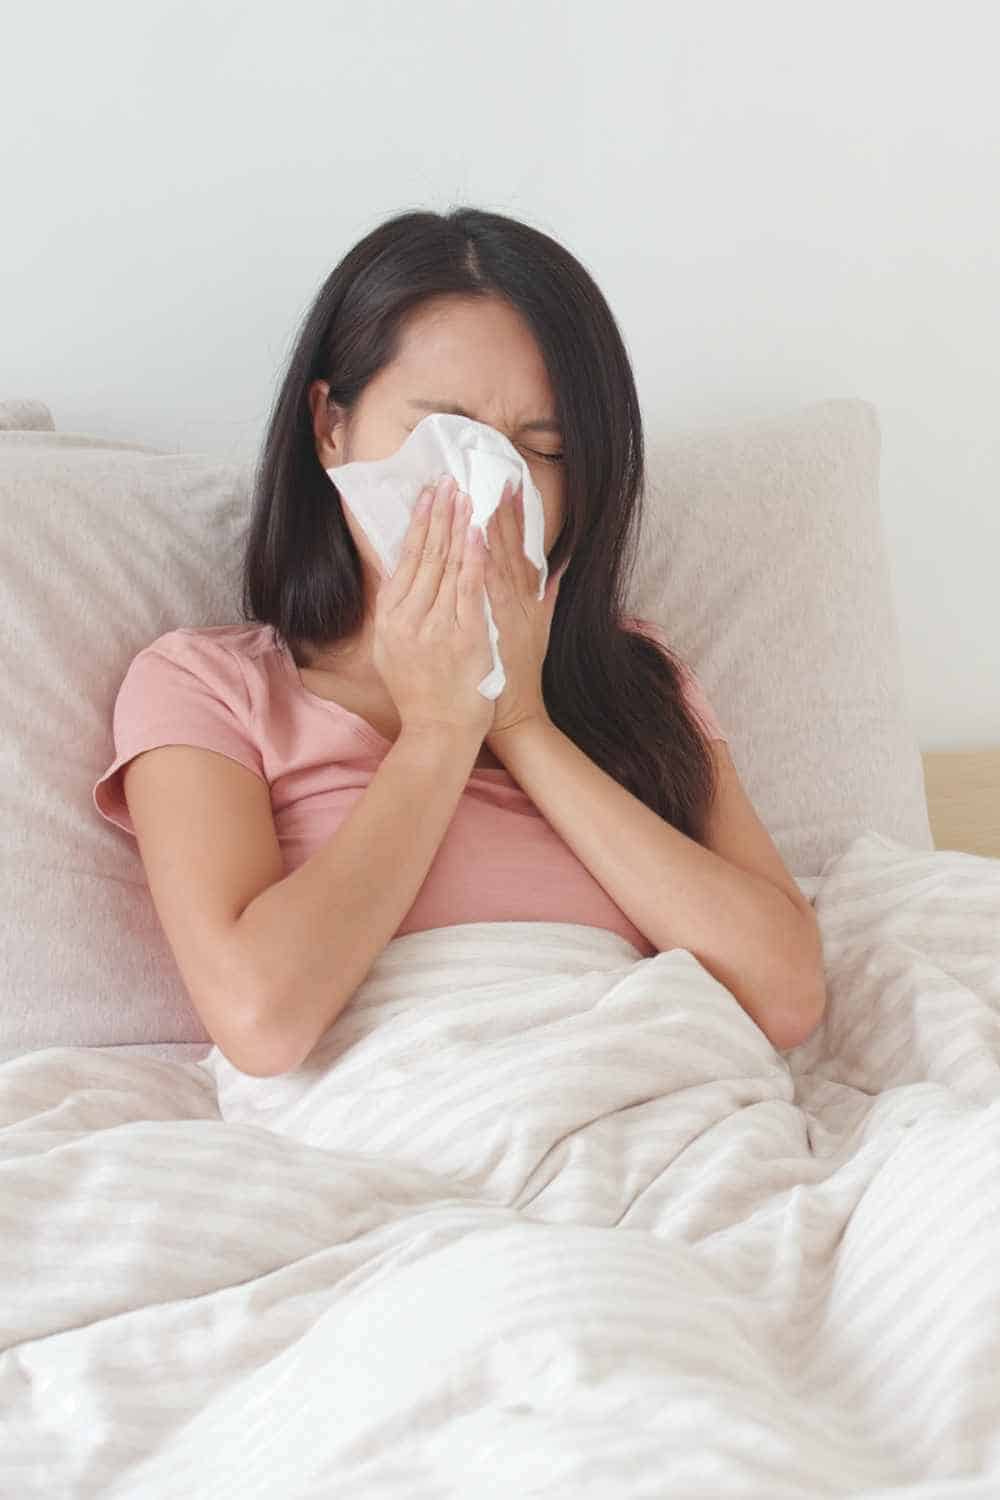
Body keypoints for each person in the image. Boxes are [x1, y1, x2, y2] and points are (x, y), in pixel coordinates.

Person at [95, 206, 786, 1081]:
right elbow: (261, 1020)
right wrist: (438, 731)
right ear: (330, 426)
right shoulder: (209, 687)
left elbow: (786, 994)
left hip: (647, 1096)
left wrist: (524, 721)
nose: (486, 485)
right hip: (409, 1126)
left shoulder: (634, 679)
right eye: (444, 435)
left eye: (541, 450)